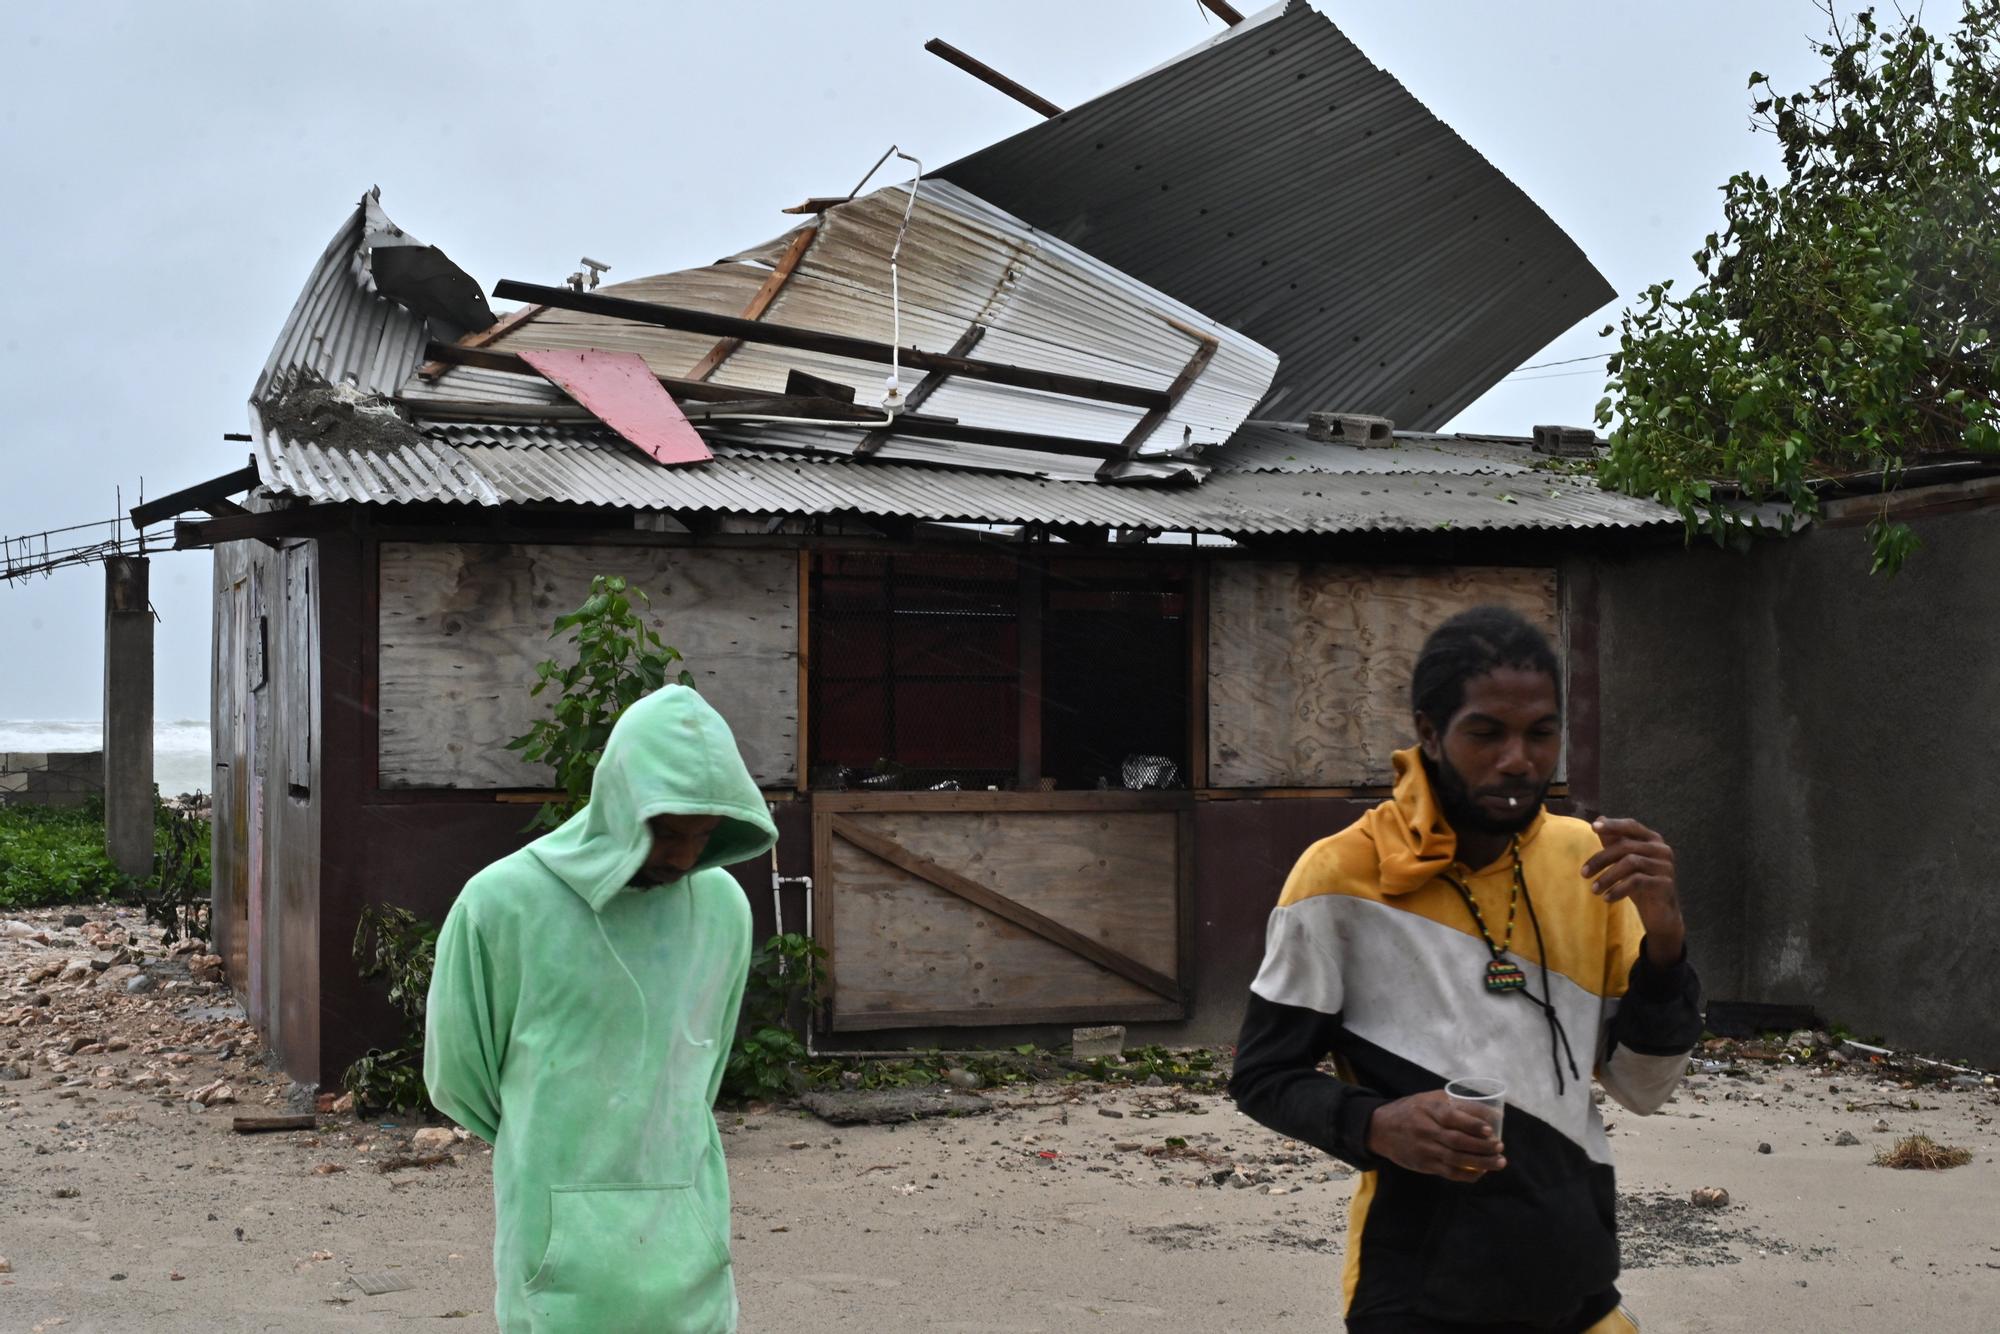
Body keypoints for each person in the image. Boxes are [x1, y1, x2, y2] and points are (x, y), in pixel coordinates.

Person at [1228, 606, 1702, 1333]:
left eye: (1542, 733)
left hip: (1576, 1285)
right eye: (1487, 732)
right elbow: (1262, 1077)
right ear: (1428, 732)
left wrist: (1666, 944)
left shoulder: (1588, 862)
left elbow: (1642, 1086)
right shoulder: (1339, 877)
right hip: (1418, 1293)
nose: (1519, 759)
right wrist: (1377, 1123)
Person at [424, 685, 778, 1334]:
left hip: (689, 1246)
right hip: (556, 1255)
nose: (684, 855)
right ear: (618, 801)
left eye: (702, 834)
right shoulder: (502, 903)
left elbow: (706, 1060)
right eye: (666, 831)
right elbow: (458, 1078)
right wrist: (557, 1146)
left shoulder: (724, 907)